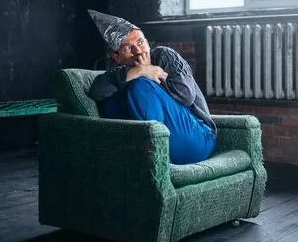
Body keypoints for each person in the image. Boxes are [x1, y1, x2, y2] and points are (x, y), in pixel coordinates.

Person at [86, 9, 216, 165]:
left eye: (140, 42)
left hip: (199, 137)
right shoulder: (120, 74)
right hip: (169, 142)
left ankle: (156, 163)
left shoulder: (164, 55)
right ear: (117, 57)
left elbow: (186, 96)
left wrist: (148, 75)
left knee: (140, 85)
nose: (138, 50)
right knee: (113, 98)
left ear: (147, 42)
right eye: (128, 48)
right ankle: (150, 160)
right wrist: (140, 70)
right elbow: (96, 92)